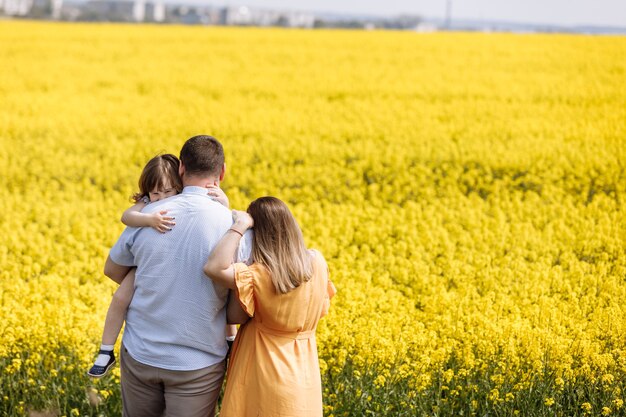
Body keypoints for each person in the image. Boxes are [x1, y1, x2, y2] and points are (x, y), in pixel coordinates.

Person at [103, 135, 251, 417]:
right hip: (198, 361)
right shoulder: (234, 225)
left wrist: (149, 273)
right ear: (222, 173)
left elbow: (111, 269)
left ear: (181, 168)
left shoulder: (150, 213)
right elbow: (241, 295)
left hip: (142, 352)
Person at [87, 153, 235, 378]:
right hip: (144, 268)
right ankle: (106, 351)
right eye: (156, 194)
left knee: (221, 295)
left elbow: (111, 268)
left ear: (180, 183)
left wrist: (226, 204)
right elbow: (127, 216)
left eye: (168, 192)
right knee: (120, 299)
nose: (162, 198)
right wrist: (149, 219)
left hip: (155, 271)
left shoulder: (200, 205)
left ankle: (231, 340)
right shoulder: (148, 207)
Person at [204, 196, 336, 417]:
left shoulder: (258, 275)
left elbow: (214, 267)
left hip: (262, 370)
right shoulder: (318, 263)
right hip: (304, 374)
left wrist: (239, 226)